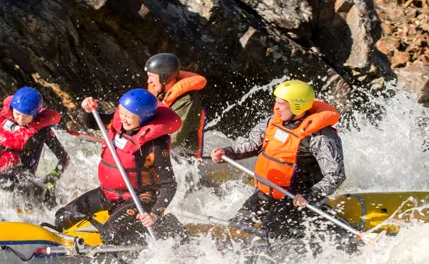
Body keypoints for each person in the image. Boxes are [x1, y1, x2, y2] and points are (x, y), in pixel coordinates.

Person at [210, 80, 346, 240]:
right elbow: (251, 145)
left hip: (296, 199)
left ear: (298, 106)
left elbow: (335, 174)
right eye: (276, 102)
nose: (276, 107)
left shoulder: (320, 136)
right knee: (236, 227)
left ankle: (325, 225)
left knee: (269, 234)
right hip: (265, 193)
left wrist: (310, 195)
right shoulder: (272, 122)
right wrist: (227, 153)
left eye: (281, 104)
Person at [54, 89, 183, 245]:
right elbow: (91, 122)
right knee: (62, 218)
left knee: (110, 235)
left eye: (128, 116)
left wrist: (156, 214)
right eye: (121, 112)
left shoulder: (155, 145)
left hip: (138, 199)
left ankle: (166, 225)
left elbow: (170, 184)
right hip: (107, 193)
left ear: (143, 118)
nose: (123, 118)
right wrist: (88, 111)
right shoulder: (118, 122)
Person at [0, 87, 70, 205]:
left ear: (35, 114)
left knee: (3, 180)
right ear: (12, 108)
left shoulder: (41, 131)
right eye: (18, 114)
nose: (20, 119)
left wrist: (54, 175)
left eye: (26, 116)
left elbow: (64, 157)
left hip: (21, 182)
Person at [145, 53, 207, 158]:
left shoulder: (187, 101)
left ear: (165, 77)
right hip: (163, 147)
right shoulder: (161, 91)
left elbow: (174, 138)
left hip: (184, 159)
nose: (148, 81)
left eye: (151, 76)